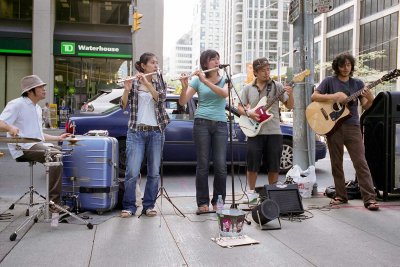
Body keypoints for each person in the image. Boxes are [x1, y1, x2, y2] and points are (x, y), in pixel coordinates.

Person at [311, 52, 379, 211]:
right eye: (342, 65)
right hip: (333, 126)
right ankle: (341, 196)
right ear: (337, 66)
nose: (345, 68)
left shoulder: (357, 84)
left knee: (361, 162)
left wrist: (371, 97)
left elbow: (367, 106)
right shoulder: (329, 81)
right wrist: (334, 96)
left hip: (353, 126)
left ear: (352, 66)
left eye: (348, 65)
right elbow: (314, 96)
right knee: (336, 163)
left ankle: (369, 198)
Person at [0, 75, 71, 213]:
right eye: (40, 87)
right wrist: (10, 128)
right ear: (30, 91)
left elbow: (38, 136)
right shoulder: (17, 104)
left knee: (66, 151)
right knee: (55, 156)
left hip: (34, 144)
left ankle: (67, 196)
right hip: (23, 147)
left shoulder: (37, 108)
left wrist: (58, 138)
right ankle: (54, 203)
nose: (44, 89)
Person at [120, 53, 170, 218]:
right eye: (152, 63)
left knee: (154, 172)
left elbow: (161, 98)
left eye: (157, 62)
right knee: (132, 171)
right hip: (136, 131)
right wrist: (126, 90)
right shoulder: (133, 82)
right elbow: (123, 105)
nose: (156, 65)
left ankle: (149, 205)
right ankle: (129, 206)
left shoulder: (159, 80)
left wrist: (147, 83)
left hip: (156, 131)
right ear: (143, 65)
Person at [179, 49, 229, 213]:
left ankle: (218, 201)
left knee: (221, 165)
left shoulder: (225, 78)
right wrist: (184, 86)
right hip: (201, 122)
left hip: (221, 123)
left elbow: (223, 94)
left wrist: (204, 80)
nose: (216, 61)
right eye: (212, 59)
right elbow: (183, 101)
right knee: (202, 165)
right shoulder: (197, 81)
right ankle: (203, 203)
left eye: (217, 58)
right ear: (205, 63)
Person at [238, 58, 294, 203]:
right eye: (263, 70)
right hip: (254, 132)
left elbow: (289, 106)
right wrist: (249, 113)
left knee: (274, 166)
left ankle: (272, 193)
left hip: (274, 131)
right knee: (252, 165)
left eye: (268, 69)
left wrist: (291, 93)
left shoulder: (277, 86)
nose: (266, 72)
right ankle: (251, 193)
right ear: (255, 72)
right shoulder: (247, 88)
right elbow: (240, 107)